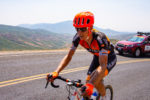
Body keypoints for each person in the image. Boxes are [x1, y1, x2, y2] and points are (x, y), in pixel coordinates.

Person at [46, 11, 117, 100]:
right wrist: (56, 72)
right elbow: (69, 56)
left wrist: (91, 84)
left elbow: (103, 66)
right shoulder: (77, 38)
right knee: (87, 84)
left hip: (109, 58)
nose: (79, 32)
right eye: (77, 29)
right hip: (96, 57)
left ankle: (104, 96)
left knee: (95, 81)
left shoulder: (100, 39)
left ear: (90, 28)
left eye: (83, 29)